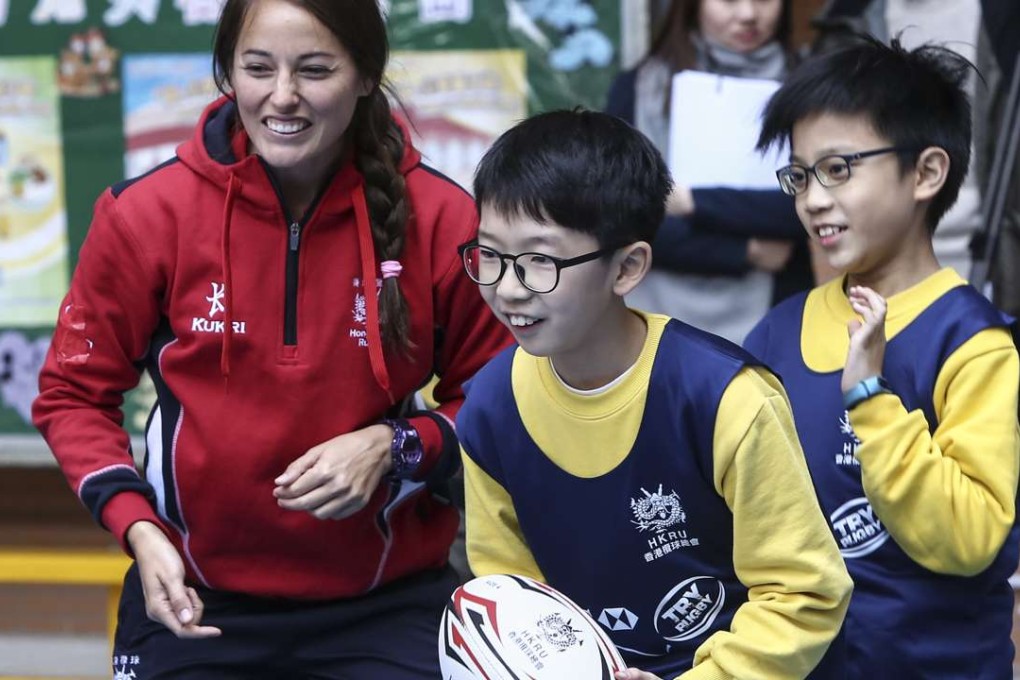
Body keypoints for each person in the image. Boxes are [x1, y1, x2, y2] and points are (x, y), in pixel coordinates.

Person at [31, 0, 509, 677]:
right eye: (258, 68)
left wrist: (396, 445)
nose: (282, 96)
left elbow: (502, 399)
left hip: (386, 603)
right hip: (194, 597)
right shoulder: (146, 214)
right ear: (228, 72)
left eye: (314, 70)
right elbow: (73, 395)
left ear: (365, 74)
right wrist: (138, 528)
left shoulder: (441, 215)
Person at [456, 109, 852, 680]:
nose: (508, 288)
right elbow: (509, 597)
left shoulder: (725, 399)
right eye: (491, 255)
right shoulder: (492, 407)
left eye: (541, 260)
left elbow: (804, 594)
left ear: (627, 267)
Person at [746, 36, 1020, 676]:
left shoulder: (972, 343)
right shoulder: (778, 332)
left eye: (839, 169)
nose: (813, 199)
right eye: (799, 175)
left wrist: (870, 396)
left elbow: (967, 540)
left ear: (926, 173)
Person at [605, 0, 815, 343]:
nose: (748, 14)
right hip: (653, 314)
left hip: (774, 314)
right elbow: (619, 218)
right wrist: (745, 250)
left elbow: (810, 203)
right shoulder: (639, 88)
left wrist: (691, 201)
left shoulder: (810, 87)